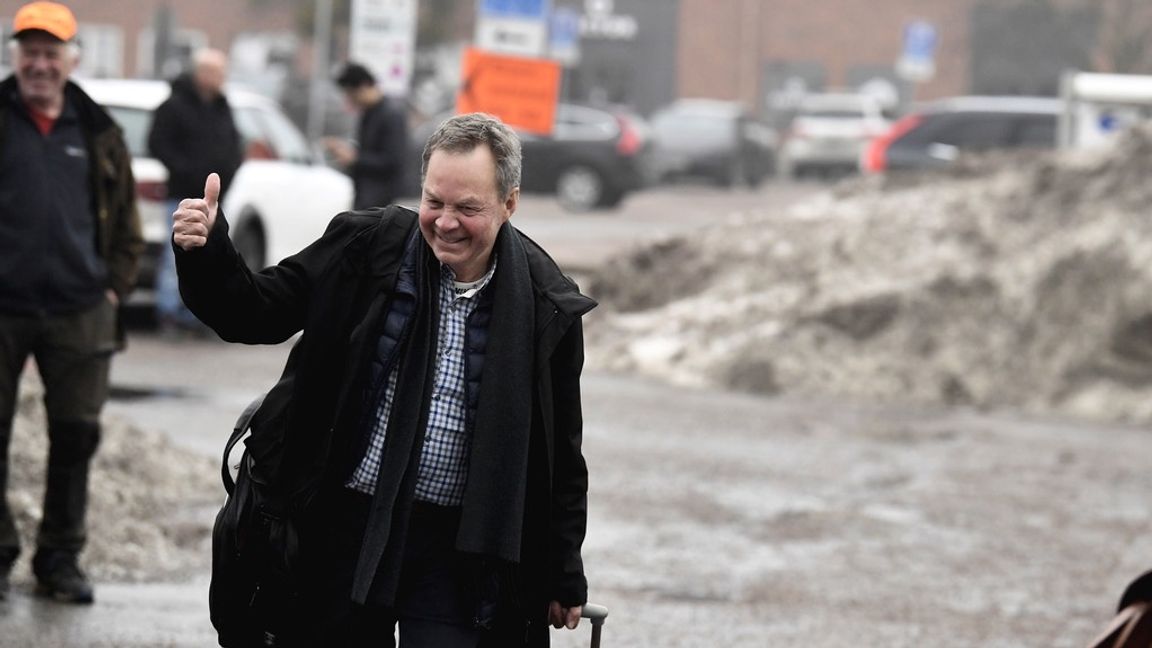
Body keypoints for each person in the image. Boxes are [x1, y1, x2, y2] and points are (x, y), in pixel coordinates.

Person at [174, 113, 593, 646]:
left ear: (509, 203)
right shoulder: (367, 247)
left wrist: (562, 570)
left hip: (460, 546)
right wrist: (209, 253)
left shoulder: (546, 303)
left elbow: (561, 453)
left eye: (468, 208)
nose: (445, 222)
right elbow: (257, 311)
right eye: (434, 202)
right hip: (343, 523)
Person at [0, 1, 143, 604]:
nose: (39, 64)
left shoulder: (99, 129)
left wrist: (113, 285)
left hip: (80, 308)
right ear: (15, 56)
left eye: (50, 53)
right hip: (3, 307)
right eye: (29, 51)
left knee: (75, 436)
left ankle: (60, 558)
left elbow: (128, 227)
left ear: (69, 59)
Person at [147, 47, 242, 335]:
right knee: (174, 254)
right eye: (214, 72)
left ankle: (197, 314)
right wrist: (185, 170)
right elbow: (158, 143)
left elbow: (233, 144)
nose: (219, 78)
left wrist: (230, 170)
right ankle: (168, 313)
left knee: (209, 255)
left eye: (222, 73)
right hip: (182, 193)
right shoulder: (174, 105)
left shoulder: (223, 107)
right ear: (200, 73)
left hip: (213, 198)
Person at [324, 61, 409, 209]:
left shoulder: (391, 115)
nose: (349, 100)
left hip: (382, 202)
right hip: (365, 196)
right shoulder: (367, 113)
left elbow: (393, 160)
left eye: (351, 94)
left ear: (363, 86)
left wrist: (355, 158)